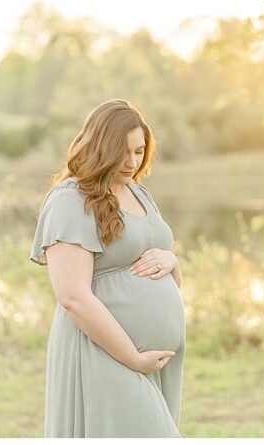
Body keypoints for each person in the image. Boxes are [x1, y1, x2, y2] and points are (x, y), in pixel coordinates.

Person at [30, 98, 186, 437]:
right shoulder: (71, 199)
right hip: (105, 352)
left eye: (139, 151)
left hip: (151, 359)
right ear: (101, 147)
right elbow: (72, 297)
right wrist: (133, 357)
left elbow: (164, 272)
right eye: (123, 152)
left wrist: (171, 260)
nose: (132, 162)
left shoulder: (138, 192)